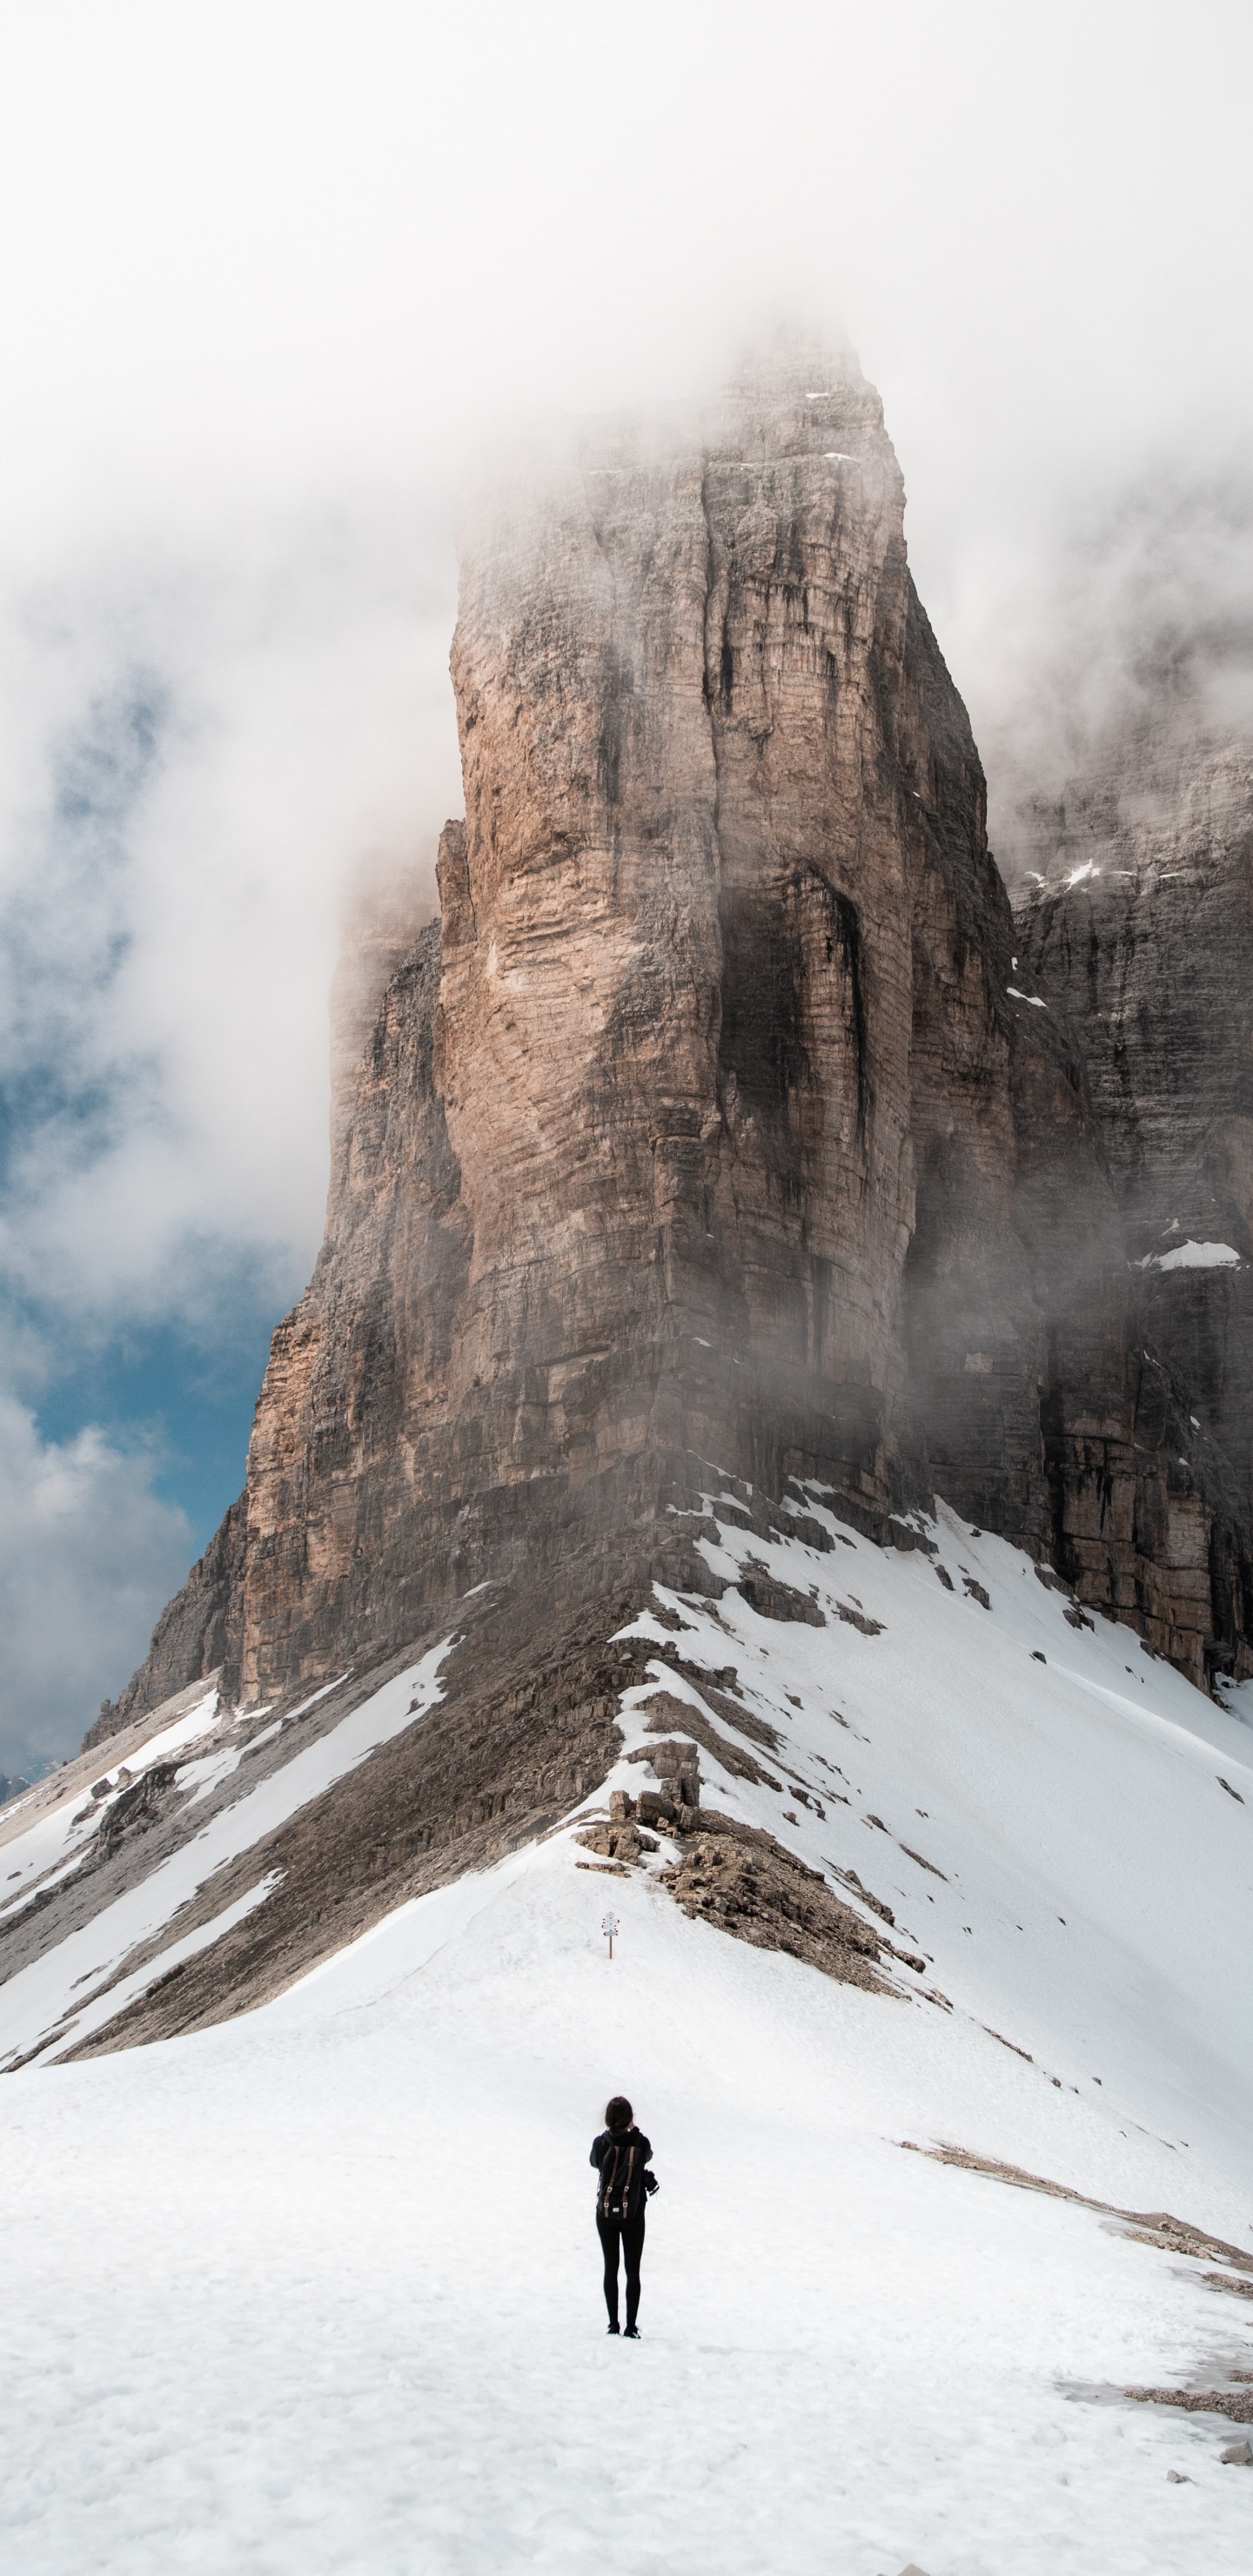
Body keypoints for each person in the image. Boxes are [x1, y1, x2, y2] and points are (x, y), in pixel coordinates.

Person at [589, 2094, 656, 2337]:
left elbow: (595, 2163)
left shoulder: (601, 2142)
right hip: (634, 2212)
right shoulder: (640, 2142)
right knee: (632, 2270)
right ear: (630, 2117)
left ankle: (613, 2325)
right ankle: (630, 2326)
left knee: (611, 2267)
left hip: (605, 2212)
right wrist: (633, 2132)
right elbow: (647, 2156)